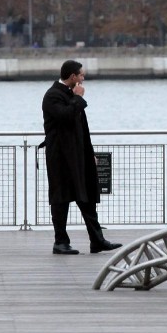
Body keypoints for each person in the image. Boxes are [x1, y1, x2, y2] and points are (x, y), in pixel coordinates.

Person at [42, 60, 122, 255]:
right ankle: (60, 242)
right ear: (72, 77)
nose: (83, 79)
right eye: (81, 75)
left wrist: (90, 153)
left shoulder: (69, 95)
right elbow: (65, 117)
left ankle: (97, 240)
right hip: (60, 157)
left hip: (79, 156)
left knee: (87, 198)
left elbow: (82, 131)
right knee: (60, 198)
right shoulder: (53, 95)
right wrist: (77, 98)